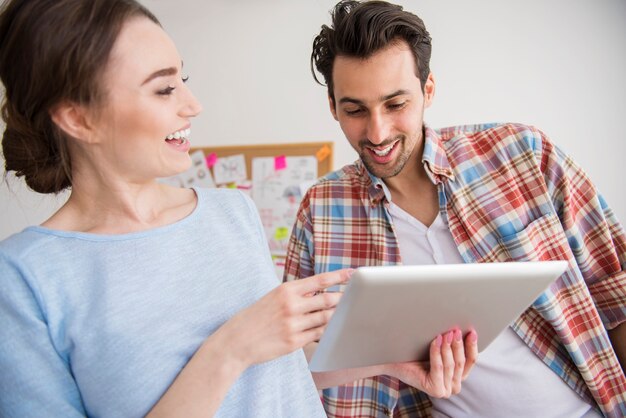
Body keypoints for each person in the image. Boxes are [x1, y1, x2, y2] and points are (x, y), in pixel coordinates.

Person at [0, 0, 477, 416]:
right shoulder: (26, 280)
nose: (193, 105)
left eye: (182, 79)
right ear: (78, 118)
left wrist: (393, 364)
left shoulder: (230, 212)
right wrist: (229, 349)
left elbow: (277, 370)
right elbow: (244, 352)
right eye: (164, 88)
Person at [283, 1, 626, 417]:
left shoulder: (523, 154)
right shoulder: (320, 210)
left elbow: (615, 292)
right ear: (333, 107)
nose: (377, 132)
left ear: (428, 91)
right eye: (355, 110)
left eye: (395, 105)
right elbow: (291, 358)